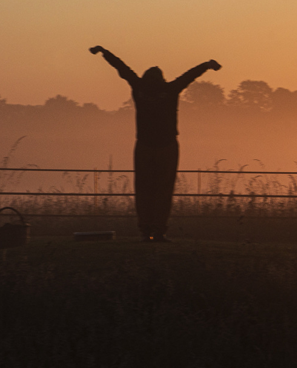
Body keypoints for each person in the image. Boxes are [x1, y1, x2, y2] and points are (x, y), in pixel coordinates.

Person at [90, 46, 221, 242]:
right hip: (167, 145)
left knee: (144, 189)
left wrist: (103, 52)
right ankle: (158, 231)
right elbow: (189, 76)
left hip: (144, 145)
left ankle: (146, 230)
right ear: (162, 79)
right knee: (163, 190)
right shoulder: (170, 90)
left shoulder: (140, 87)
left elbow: (122, 68)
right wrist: (207, 65)